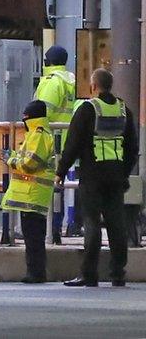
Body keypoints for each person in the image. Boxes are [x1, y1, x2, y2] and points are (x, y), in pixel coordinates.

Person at [57, 68, 138, 287]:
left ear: (94, 86)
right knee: (116, 224)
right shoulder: (123, 110)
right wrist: (124, 172)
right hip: (116, 177)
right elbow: (132, 147)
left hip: (92, 177)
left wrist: (61, 172)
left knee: (91, 223)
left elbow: (72, 144)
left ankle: (88, 274)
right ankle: (118, 273)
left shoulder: (87, 109)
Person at [0, 100, 55, 283]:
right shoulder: (35, 134)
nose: (23, 120)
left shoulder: (38, 135)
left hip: (34, 194)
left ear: (31, 118)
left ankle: (36, 273)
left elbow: (30, 165)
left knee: (33, 238)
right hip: (32, 194)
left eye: (25, 117)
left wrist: (10, 161)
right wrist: (13, 155)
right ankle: (35, 271)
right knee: (32, 236)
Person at [34, 45, 76, 240]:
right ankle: (61, 226)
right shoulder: (72, 80)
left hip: (51, 139)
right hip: (67, 139)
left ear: (48, 61)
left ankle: (52, 229)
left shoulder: (52, 82)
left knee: (48, 185)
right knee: (61, 186)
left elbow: (42, 112)